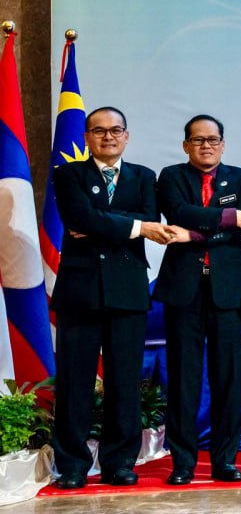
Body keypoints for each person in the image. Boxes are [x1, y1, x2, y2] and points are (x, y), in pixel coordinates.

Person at [51, 107, 170, 489]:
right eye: (99, 131)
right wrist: (134, 226)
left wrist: (104, 221)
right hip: (80, 292)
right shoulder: (68, 174)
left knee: (124, 381)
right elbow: (79, 219)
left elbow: (149, 220)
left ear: (126, 136)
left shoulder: (144, 176)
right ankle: (72, 466)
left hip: (128, 291)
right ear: (87, 137)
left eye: (116, 130)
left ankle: (119, 463)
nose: (108, 137)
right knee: (75, 382)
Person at [155, 115, 241, 485]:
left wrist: (194, 235)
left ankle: (224, 460)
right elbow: (180, 214)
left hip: (228, 290)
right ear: (186, 145)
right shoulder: (171, 176)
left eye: (213, 140)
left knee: (227, 378)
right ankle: (183, 462)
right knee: (184, 378)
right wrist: (227, 217)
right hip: (184, 289)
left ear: (223, 145)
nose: (206, 146)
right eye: (198, 140)